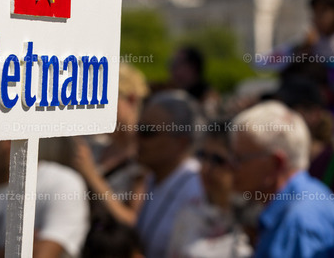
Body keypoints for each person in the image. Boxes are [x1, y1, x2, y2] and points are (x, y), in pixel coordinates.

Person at [230, 100, 334, 257]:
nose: (231, 167)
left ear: (276, 163)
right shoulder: (300, 202)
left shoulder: (299, 221)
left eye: (240, 159)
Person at [73, 63, 149, 226]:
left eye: (105, 101)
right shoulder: (99, 145)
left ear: (131, 99)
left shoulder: (145, 155)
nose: (97, 108)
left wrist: (91, 175)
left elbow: (131, 220)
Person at [167, 122, 253, 258]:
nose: (206, 168)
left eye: (218, 160)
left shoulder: (252, 223)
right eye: (202, 155)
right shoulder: (190, 212)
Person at [136, 90, 205, 258]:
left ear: (180, 143)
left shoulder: (197, 187)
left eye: (147, 132)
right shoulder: (153, 176)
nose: (137, 139)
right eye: (138, 129)